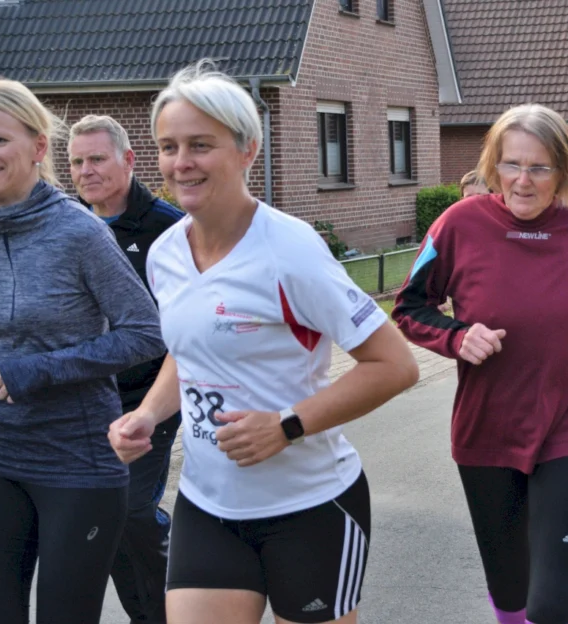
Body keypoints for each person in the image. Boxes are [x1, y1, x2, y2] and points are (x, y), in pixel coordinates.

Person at [107, 60, 418, 624]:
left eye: (201, 145)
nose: (181, 162)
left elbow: (394, 365)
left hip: (310, 506)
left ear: (247, 149)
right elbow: (190, 348)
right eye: (169, 147)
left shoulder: (290, 251)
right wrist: (149, 414)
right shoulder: (166, 253)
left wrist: (286, 425)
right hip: (207, 505)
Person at [0, 77, 166, 624]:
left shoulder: (79, 233)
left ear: (38, 147)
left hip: (79, 461)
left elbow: (146, 332)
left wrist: (38, 370)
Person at [393, 103, 568, 624]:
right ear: (493, 165)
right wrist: (457, 337)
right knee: (511, 594)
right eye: (511, 165)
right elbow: (409, 307)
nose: (522, 181)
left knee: (551, 603)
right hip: (488, 426)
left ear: (563, 172)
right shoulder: (458, 224)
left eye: (539, 168)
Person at [68, 114, 183, 624]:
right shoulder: (69, 224)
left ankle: (172, 608)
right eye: (77, 162)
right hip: (84, 401)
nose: (86, 171)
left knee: (133, 510)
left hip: (149, 397)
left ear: (128, 160)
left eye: (97, 158)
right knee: (103, 515)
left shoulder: (169, 229)